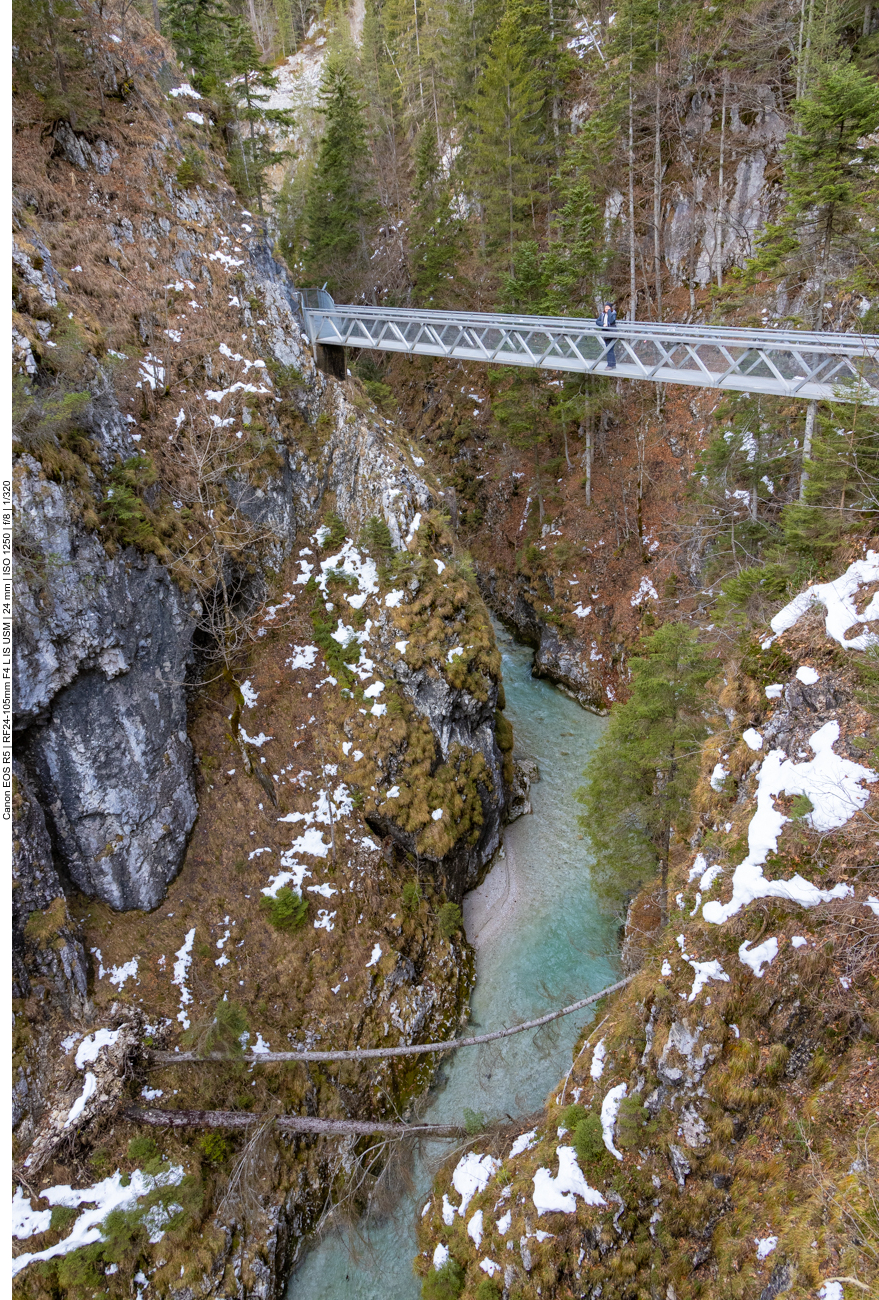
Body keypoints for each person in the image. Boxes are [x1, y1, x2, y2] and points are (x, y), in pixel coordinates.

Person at [596, 302, 617, 369]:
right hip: (605, 333)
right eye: (605, 307)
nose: (606, 309)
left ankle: (610, 365)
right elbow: (597, 321)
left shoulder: (613, 314)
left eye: (608, 307)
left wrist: (609, 312)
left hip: (612, 333)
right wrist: (603, 324)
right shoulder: (602, 314)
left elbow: (611, 321)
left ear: (610, 308)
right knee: (609, 348)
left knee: (609, 349)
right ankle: (612, 364)